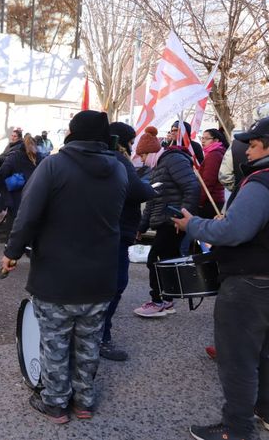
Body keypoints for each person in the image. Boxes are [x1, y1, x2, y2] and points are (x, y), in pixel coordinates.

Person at [172, 118, 269, 440]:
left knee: (238, 361)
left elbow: (232, 232)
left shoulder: (265, 182)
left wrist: (193, 225)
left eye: (255, 145)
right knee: (264, 352)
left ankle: (237, 429)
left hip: (252, 285)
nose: (247, 151)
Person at [1, 111, 128, 424]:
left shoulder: (54, 165)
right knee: (88, 342)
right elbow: (136, 200)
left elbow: (27, 215)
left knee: (55, 341)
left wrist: (12, 252)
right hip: (100, 276)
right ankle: (84, 400)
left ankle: (56, 403)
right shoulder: (120, 170)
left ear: (72, 133)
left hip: (56, 275)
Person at [101, 123, 157, 361]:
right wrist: (151, 189)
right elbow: (138, 191)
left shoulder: (102, 157)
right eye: (131, 141)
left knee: (104, 286)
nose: (133, 146)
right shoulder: (118, 159)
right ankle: (100, 337)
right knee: (115, 285)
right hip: (116, 231)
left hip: (104, 230)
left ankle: (93, 335)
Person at [133, 125, 199, 318]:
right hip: (166, 220)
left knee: (155, 259)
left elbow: (192, 187)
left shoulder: (173, 160)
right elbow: (153, 200)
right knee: (166, 261)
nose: (143, 161)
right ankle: (166, 300)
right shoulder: (158, 167)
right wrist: (142, 227)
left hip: (174, 221)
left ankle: (158, 301)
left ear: (149, 152)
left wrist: (182, 217)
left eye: (143, 156)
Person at [0, 133, 38, 223]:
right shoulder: (40, 158)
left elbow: (1, 174)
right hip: (35, 200)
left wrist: (6, 196)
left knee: (14, 229)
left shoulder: (14, 156)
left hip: (15, 200)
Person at [198, 128, 228, 218]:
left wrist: (200, 201)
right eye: (202, 138)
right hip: (214, 199)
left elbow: (208, 182)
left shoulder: (214, 155)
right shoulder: (214, 153)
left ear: (216, 140)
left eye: (206, 138)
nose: (203, 141)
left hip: (210, 200)